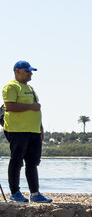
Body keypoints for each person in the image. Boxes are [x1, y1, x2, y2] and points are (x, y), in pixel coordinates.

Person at [3, 61, 51, 203]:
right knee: (16, 161)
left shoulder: (30, 88)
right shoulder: (11, 86)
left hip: (33, 131)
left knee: (33, 162)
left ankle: (35, 194)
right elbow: (10, 106)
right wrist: (31, 106)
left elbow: (37, 110)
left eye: (31, 71)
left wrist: (40, 128)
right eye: (27, 71)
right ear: (17, 71)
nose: (30, 73)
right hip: (17, 130)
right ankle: (15, 192)